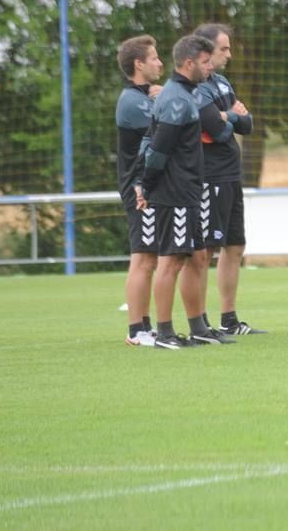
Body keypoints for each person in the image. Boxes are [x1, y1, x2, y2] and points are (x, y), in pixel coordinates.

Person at [134, 34, 223, 349]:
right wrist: (147, 184)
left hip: (189, 191)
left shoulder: (184, 94)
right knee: (170, 261)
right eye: (205, 61)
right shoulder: (175, 98)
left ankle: (198, 327)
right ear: (189, 64)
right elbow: (158, 149)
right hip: (175, 193)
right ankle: (165, 333)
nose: (210, 67)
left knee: (197, 256)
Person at [192, 23, 264, 336]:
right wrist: (230, 117)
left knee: (235, 246)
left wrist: (230, 116)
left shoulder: (221, 83)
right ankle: (201, 321)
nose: (229, 54)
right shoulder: (196, 88)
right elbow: (215, 127)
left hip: (232, 174)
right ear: (205, 51)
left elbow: (246, 124)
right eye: (224, 49)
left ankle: (229, 319)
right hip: (210, 175)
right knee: (206, 249)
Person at [117, 35, 163, 346]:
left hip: (148, 186)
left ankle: (145, 326)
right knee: (143, 258)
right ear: (139, 64)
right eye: (155, 58)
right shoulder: (132, 102)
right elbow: (168, 122)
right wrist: (161, 100)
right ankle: (136, 330)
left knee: (150, 257)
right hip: (139, 189)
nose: (160, 63)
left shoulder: (143, 96)